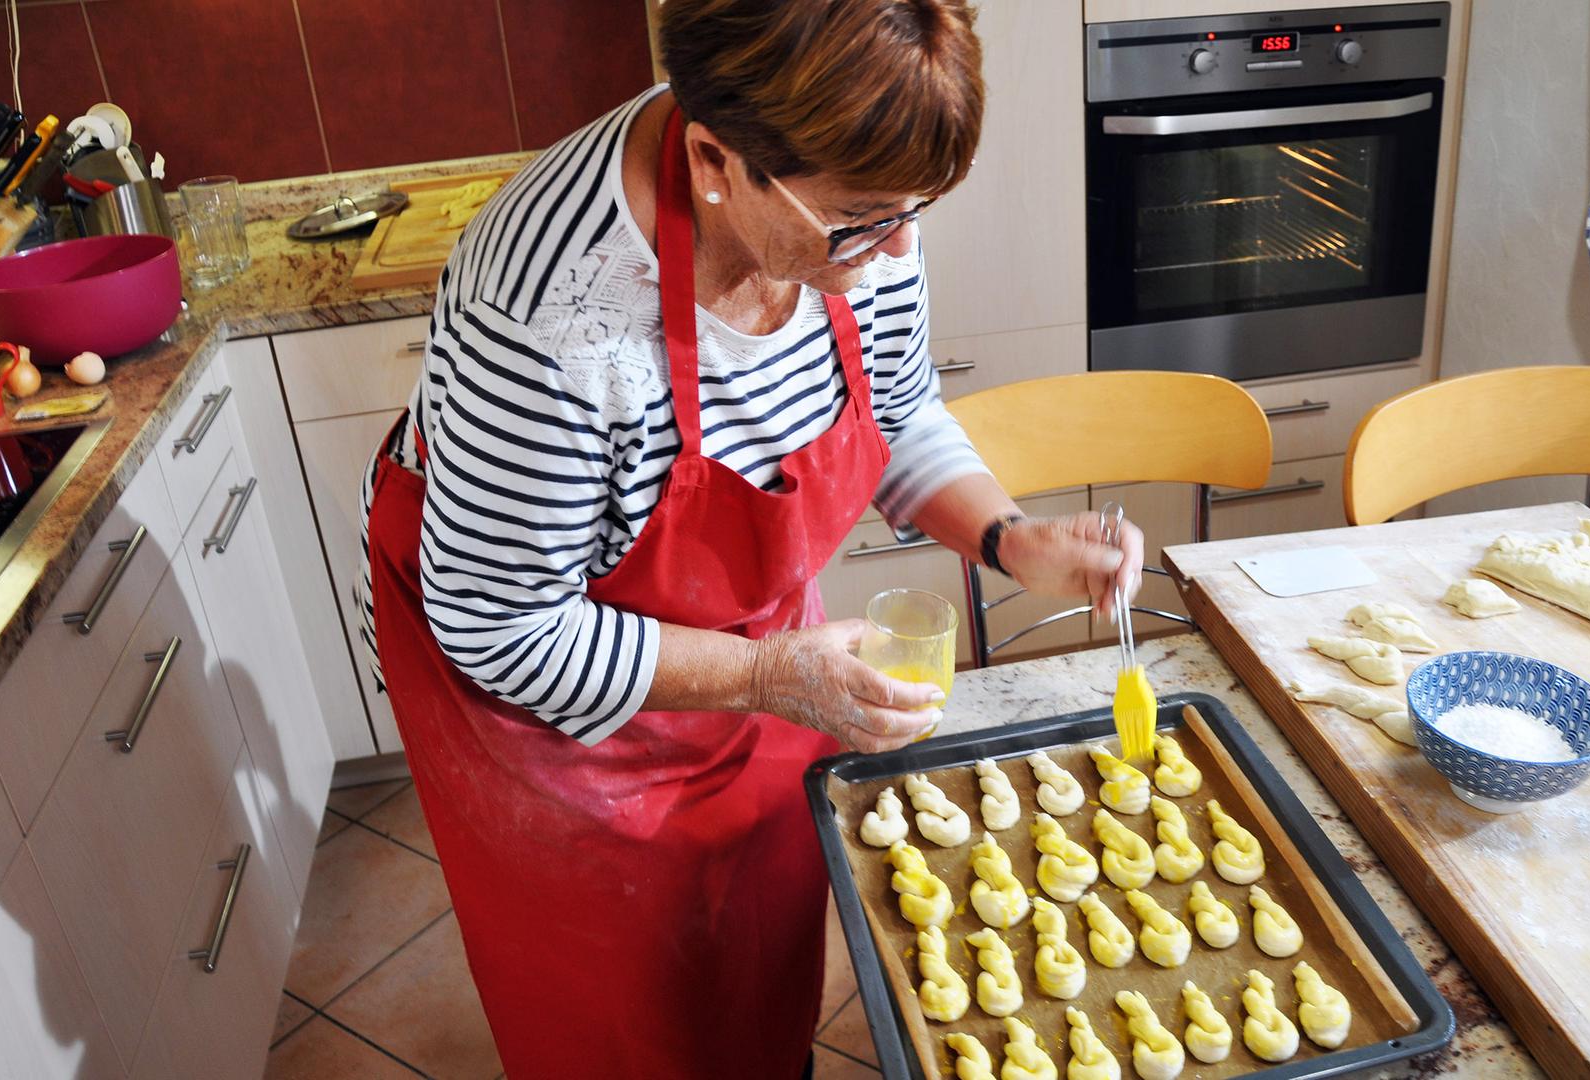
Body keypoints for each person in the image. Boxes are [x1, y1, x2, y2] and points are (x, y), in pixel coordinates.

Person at [355, 0, 1143, 1075]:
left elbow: (897, 407)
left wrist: (1007, 538)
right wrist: (767, 672)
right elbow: (498, 626)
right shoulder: (551, 315)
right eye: (865, 220)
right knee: (634, 1009)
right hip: (558, 705)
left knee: (758, 946)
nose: (900, 246)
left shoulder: (853, 208)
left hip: (761, 659)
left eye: (918, 210)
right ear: (719, 159)